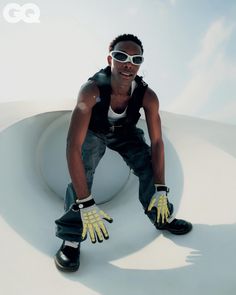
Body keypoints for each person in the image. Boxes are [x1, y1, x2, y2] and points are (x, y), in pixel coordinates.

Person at [54, 33, 192, 272]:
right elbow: (72, 146)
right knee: (84, 168)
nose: (128, 63)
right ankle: (71, 239)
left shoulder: (148, 96)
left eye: (136, 59)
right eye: (121, 56)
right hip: (94, 131)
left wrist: (160, 187)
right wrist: (86, 203)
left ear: (140, 64)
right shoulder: (91, 90)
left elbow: (157, 142)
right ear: (110, 59)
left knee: (148, 163)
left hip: (125, 132)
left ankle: (162, 217)